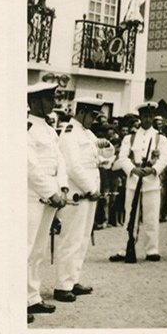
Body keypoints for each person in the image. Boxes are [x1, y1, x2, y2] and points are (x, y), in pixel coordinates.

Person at [53, 96, 112, 302]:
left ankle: (73, 279)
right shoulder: (70, 134)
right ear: (81, 113)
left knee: (82, 239)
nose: (94, 120)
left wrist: (106, 153)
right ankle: (62, 285)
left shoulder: (87, 133)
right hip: (78, 194)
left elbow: (100, 157)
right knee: (70, 240)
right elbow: (73, 166)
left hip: (89, 195)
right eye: (92, 115)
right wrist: (91, 188)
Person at [27, 80, 68, 322]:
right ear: (34, 102)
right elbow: (30, 166)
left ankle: (32, 297)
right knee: (25, 248)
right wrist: (50, 192)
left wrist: (62, 187)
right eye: (48, 98)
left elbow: (59, 161)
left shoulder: (50, 129)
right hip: (33, 196)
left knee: (38, 250)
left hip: (50, 195)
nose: (53, 103)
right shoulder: (28, 127)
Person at [110, 101, 167, 262]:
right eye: (145, 116)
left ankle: (152, 250)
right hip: (134, 180)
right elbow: (122, 158)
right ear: (140, 118)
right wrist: (133, 169)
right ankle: (124, 249)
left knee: (151, 217)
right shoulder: (130, 138)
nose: (148, 120)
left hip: (151, 180)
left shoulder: (160, 138)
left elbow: (165, 158)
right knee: (130, 216)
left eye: (150, 117)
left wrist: (154, 169)